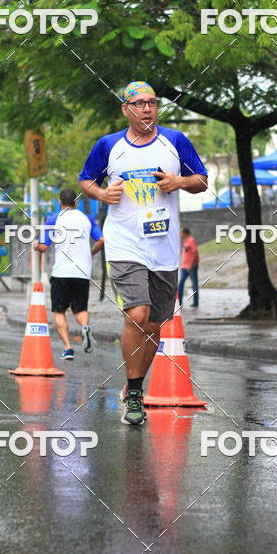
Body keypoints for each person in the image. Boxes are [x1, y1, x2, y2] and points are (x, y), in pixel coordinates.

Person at [79, 81, 207, 425]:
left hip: (164, 246)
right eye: (139, 103)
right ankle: (136, 394)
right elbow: (86, 180)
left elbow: (202, 180)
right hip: (124, 243)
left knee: (154, 324)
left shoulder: (175, 141)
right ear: (126, 109)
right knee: (137, 314)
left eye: (152, 102)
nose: (147, 108)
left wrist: (179, 182)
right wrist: (102, 194)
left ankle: (132, 384)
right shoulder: (109, 145)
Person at [34, 188, 104, 360]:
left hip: (61, 273)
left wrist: (36, 245)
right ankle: (85, 327)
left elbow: (43, 247)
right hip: (82, 272)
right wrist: (90, 253)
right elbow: (101, 240)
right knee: (80, 309)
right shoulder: (87, 219)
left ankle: (68, 348)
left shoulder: (53, 220)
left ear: (60, 201)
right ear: (76, 202)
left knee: (59, 311)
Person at [178, 227, 200, 308]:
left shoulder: (191, 240)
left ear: (185, 233)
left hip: (191, 267)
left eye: (181, 232)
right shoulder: (185, 241)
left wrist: (191, 265)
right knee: (180, 284)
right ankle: (179, 302)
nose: (180, 234)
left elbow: (195, 253)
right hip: (184, 267)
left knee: (194, 285)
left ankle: (195, 302)